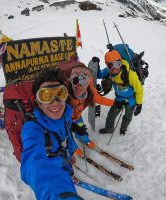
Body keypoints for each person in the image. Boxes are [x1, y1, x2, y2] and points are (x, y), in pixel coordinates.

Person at [20, 68, 83, 200]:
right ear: (38, 102)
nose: (55, 102)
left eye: (60, 94)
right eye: (46, 96)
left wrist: (71, 151)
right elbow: (33, 164)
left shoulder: (65, 116)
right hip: (53, 169)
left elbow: (67, 136)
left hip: (65, 161)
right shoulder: (32, 129)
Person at [59, 60, 115, 156]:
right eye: (76, 80)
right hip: (66, 120)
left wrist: (115, 103)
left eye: (84, 80)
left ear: (88, 82)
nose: (79, 86)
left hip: (78, 117)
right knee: (68, 134)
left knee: (81, 129)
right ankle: (73, 146)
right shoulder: (64, 93)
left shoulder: (89, 91)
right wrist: (72, 126)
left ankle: (83, 138)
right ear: (71, 80)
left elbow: (99, 99)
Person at [96, 50, 143, 135]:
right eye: (110, 65)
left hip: (131, 100)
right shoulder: (109, 72)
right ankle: (109, 129)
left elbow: (139, 90)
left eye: (117, 64)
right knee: (111, 115)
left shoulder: (131, 75)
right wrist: (96, 65)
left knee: (128, 116)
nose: (115, 68)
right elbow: (99, 75)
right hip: (119, 99)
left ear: (121, 63)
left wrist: (139, 104)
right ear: (107, 66)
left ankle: (123, 128)